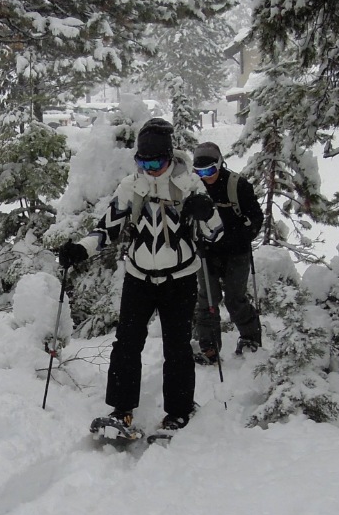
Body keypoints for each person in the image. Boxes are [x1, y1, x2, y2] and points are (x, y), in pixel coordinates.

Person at [56, 118, 221, 437]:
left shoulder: (189, 185)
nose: (149, 168)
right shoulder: (131, 187)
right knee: (127, 344)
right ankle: (121, 409)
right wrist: (80, 249)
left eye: (156, 161)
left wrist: (206, 212)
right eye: (142, 161)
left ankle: (179, 411)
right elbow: (106, 229)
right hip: (139, 278)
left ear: (169, 157)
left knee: (177, 347)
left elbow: (215, 233)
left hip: (180, 279)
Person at [189, 141, 263, 362]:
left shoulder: (238, 185)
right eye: (199, 171)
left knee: (234, 299)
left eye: (210, 170)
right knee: (207, 299)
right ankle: (208, 347)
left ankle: (251, 338)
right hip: (207, 253)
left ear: (220, 164)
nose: (205, 175)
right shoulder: (194, 187)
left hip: (236, 253)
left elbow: (256, 219)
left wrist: (241, 235)